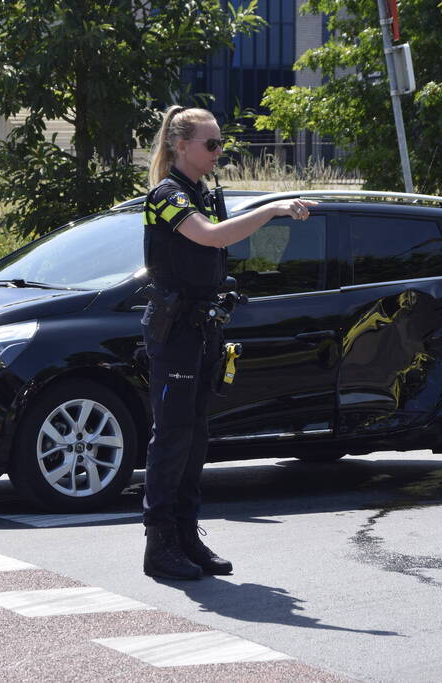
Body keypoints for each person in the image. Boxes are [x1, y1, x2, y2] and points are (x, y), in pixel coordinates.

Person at [141, 106, 316, 580]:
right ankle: (159, 545)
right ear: (181, 146)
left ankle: (186, 534)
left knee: (196, 436)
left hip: (203, 328)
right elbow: (211, 237)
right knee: (172, 437)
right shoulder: (166, 195)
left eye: (221, 144)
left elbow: (220, 240)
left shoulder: (202, 192)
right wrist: (273, 207)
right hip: (175, 330)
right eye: (211, 144)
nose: (219, 152)